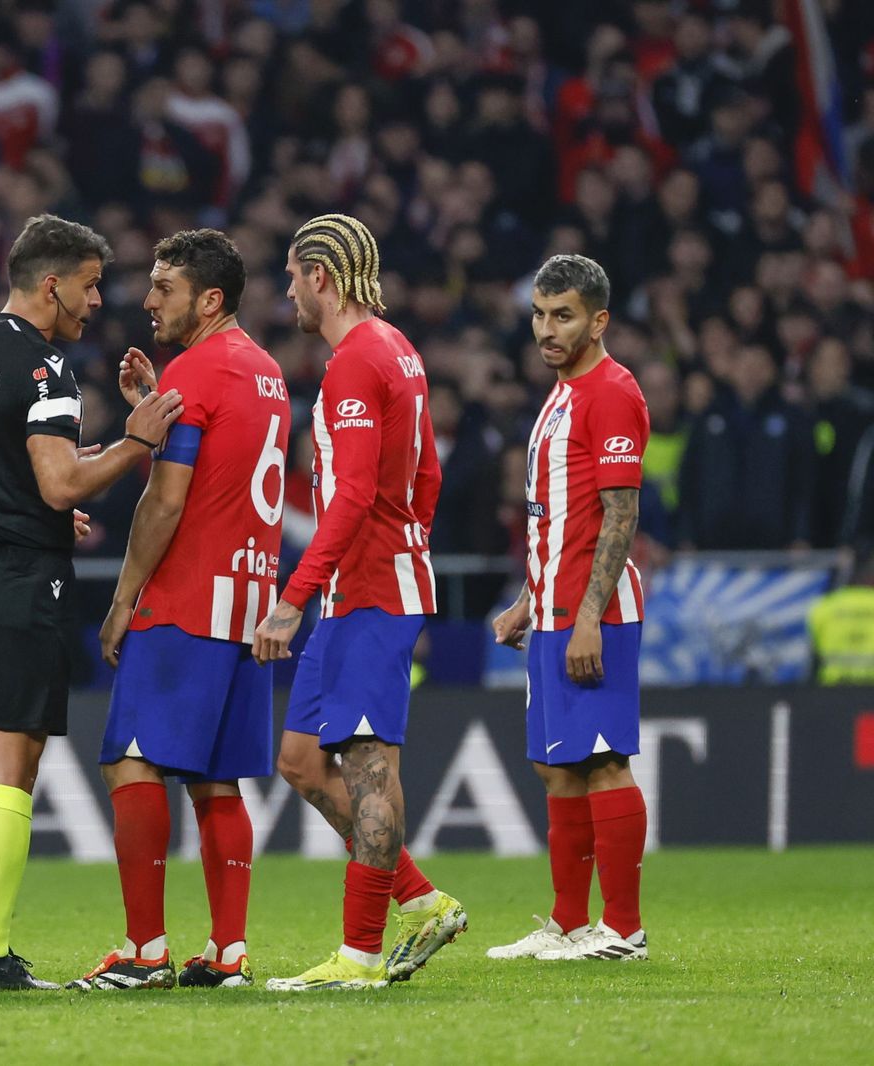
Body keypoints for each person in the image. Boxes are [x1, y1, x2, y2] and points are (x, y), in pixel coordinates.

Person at [0, 214, 183, 991]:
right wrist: (135, 440)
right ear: (50, 284)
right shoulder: (49, 370)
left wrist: (18, 498)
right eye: (89, 285)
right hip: (19, 581)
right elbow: (58, 483)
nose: (96, 301)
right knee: (8, 767)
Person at [69, 229, 288, 992]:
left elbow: (167, 502)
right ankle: (227, 954)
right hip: (246, 603)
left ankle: (142, 952)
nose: (147, 299)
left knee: (131, 761)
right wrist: (156, 403)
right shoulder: (265, 373)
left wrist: (124, 598)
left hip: (186, 598)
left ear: (210, 299)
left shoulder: (196, 374)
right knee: (215, 780)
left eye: (164, 287)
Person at [253, 214, 466, 991]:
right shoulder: (397, 350)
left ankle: (361, 956)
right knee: (302, 762)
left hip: (368, 592)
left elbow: (354, 499)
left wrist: (290, 599)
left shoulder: (353, 363)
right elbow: (429, 476)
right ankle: (420, 899)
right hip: (364, 586)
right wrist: (408, 540)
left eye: (291, 274)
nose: (286, 290)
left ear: (322, 278)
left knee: (369, 768)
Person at [486, 253, 651, 963]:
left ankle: (623, 929)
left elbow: (619, 513)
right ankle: (568, 922)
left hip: (596, 611)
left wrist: (588, 615)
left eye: (564, 316)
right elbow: (560, 516)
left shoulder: (613, 392)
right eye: (540, 315)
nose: (547, 330)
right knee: (558, 768)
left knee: (605, 761)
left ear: (598, 320)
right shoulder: (561, 394)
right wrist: (530, 598)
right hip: (553, 607)